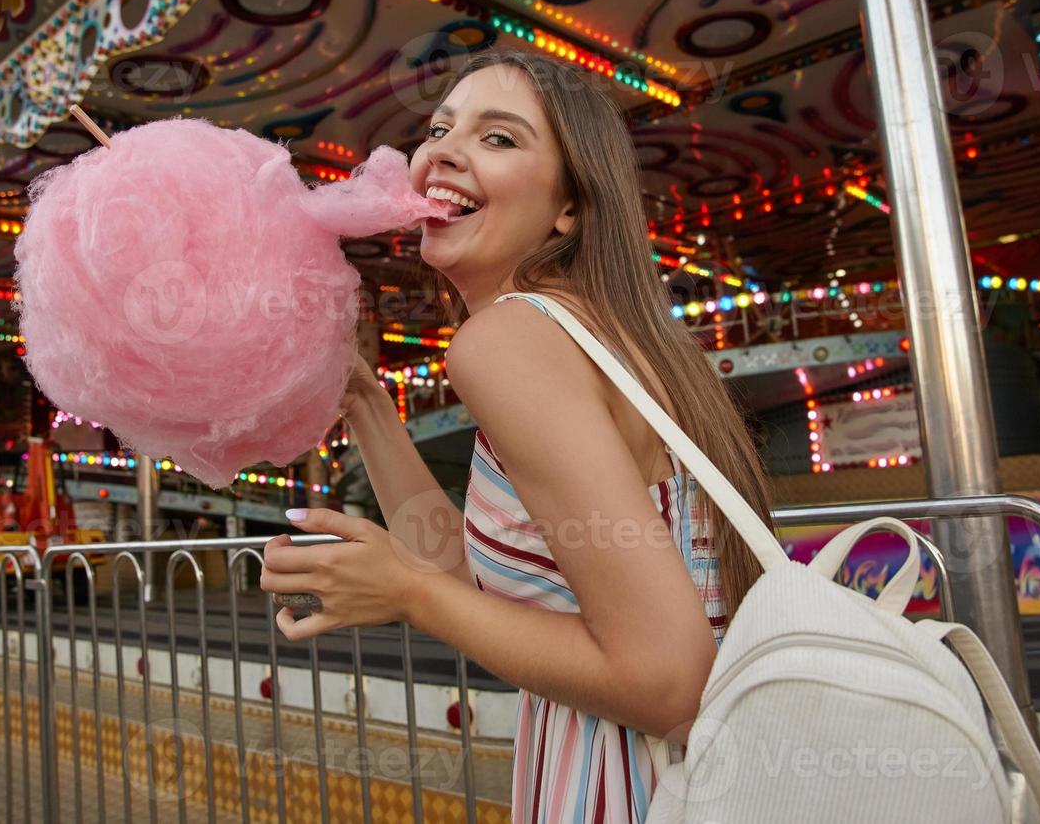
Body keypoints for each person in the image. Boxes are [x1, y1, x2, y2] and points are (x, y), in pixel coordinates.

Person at [260, 49, 775, 822]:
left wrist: (408, 594)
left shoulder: (508, 339)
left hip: (630, 787)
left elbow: (669, 679)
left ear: (569, 207)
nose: (442, 151)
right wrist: (364, 401)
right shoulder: (599, 334)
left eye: (498, 138)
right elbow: (484, 578)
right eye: (439, 129)